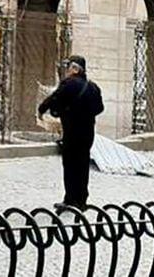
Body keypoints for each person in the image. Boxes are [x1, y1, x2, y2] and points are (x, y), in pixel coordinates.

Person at [37, 54, 103, 210]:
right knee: (83, 164)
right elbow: (99, 108)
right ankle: (81, 200)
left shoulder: (69, 84)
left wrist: (43, 110)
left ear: (74, 68)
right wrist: (86, 113)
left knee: (70, 164)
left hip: (72, 131)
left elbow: (54, 99)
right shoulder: (92, 87)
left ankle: (70, 198)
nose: (66, 70)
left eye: (68, 67)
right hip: (87, 132)